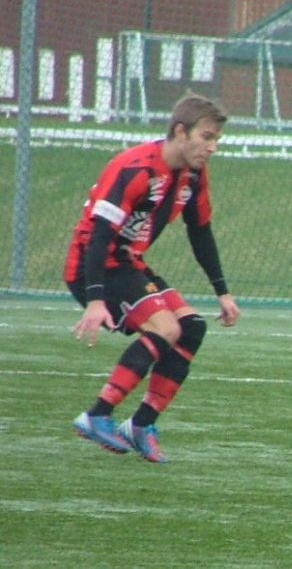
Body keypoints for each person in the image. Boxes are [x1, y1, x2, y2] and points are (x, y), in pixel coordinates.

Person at [65, 92, 240, 463]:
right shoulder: (135, 168)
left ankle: (141, 425)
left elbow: (200, 230)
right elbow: (99, 236)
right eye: (206, 137)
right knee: (165, 328)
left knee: (191, 327)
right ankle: (97, 415)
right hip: (93, 266)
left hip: (128, 262)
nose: (212, 147)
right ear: (180, 131)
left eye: (216, 139)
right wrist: (95, 299)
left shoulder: (193, 175)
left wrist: (222, 292)